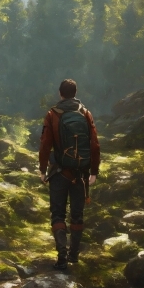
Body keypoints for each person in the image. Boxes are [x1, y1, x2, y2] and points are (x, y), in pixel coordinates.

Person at [39, 78, 100, 270]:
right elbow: (94, 144)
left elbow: (45, 144)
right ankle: (74, 255)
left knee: (58, 214)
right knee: (77, 214)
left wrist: (42, 169)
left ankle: (62, 256)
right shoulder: (86, 113)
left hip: (59, 172)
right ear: (75, 93)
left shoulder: (52, 114)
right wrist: (94, 171)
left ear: (60, 93)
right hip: (80, 173)